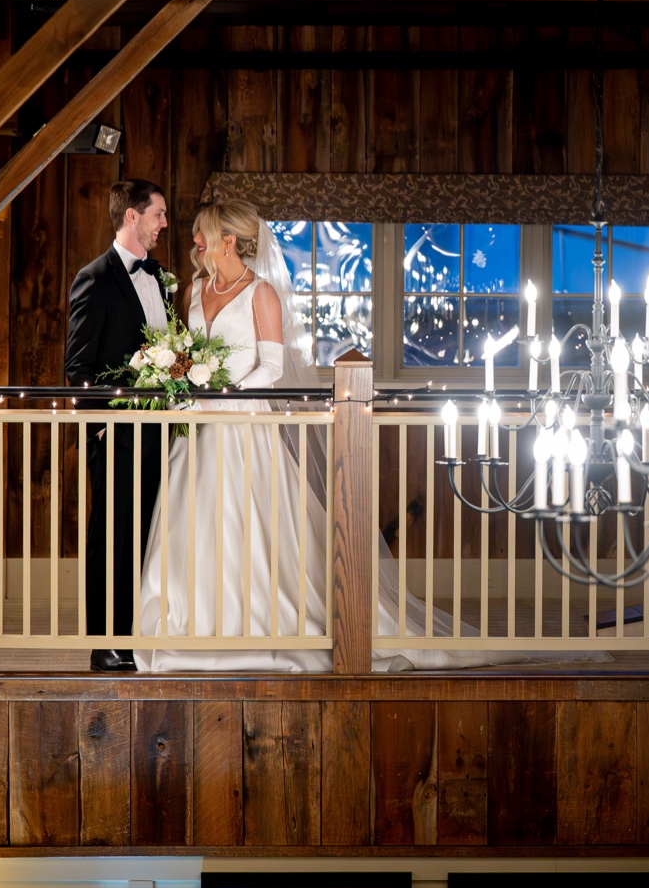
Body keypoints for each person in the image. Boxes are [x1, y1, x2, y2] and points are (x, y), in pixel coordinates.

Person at [133, 200, 596, 672]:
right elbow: (185, 355)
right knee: (193, 524)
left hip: (245, 427)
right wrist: (185, 383)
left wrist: (225, 393)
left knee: (247, 526)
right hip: (199, 430)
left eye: (202, 233)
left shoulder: (261, 294)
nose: (194, 240)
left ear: (228, 240)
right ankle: (188, 623)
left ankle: (253, 621)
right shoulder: (192, 291)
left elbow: (272, 367)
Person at [64, 179, 172, 671]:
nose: (163, 225)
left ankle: (142, 637)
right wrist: (102, 425)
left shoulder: (161, 278)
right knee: (113, 537)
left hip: (162, 436)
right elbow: (78, 366)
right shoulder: (94, 278)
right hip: (118, 436)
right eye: (158, 215)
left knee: (151, 533)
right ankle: (106, 641)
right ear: (132, 216)